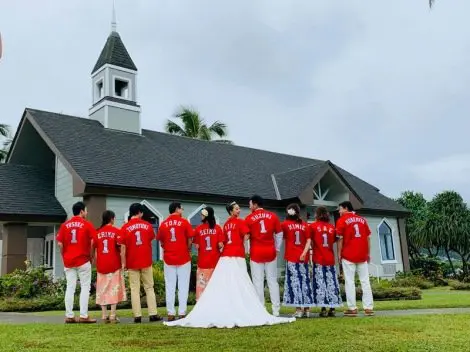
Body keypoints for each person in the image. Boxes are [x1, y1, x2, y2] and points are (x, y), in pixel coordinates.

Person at [164, 201, 295, 328]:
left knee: (226, 283)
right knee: (243, 281)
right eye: (237, 208)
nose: (239, 210)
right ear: (231, 211)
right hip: (238, 255)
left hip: (224, 256)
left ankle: (224, 307)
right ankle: (268, 309)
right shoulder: (240, 222)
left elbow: (219, 243)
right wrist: (244, 245)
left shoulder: (225, 224)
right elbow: (246, 235)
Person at [120, 203, 161, 323]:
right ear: (139, 212)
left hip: (132, 262)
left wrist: (124, 263)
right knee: (149, 288)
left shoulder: (125, 227)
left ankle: (137, 315)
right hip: (146, 261)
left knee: (134, 289)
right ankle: (153, 313)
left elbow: (123, 248)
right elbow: (151, 239)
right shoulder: (147, 225)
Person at [56, 201, 96, 324]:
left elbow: (60, 243)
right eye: (86, 210)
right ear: (82, 211)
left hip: (68, 261)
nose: (87, 212)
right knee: (85, 287)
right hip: (83, 260)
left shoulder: (64, 225)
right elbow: (93, 241)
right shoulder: (87, 224)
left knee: (70, 287)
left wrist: (64, 255)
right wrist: (91, 256)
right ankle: (83, 316)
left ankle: (69, 315)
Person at [245, 195, 283, 316]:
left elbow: (246, 237)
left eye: (250, 204)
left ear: (255, 204)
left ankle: (260, 309)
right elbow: (279, 234)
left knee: (258, 281)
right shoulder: (273, 216)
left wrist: (246, 250)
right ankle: (276, 309)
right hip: (270, 251)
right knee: (272, 281)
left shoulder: (249, 218)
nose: (249, 206)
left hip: (256, 252)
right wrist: (277, 248)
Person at [157, 202, 194, 321]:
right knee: (183, 286)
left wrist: (167, 248)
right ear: (177, 209)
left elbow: (161, 241)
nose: (182, 210)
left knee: (170, 286)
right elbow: (190, 238)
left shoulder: (163, 224)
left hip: (169, 258)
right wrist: (187, 248)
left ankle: (170, 313)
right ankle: (182, 312)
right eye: (181, 208)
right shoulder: (184, 222)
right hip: (183, 257)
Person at [336, 201, 374, 317]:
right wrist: (368, 253)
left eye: (340, 209)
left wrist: (339, 253)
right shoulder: (362, 219)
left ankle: (352, 308)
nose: (339, 211)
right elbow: (368, 238)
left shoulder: (341, 220)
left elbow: (340, 239)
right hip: (362, 255)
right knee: (365, 281)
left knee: (350, 282)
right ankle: (368, 308)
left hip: (348, 255)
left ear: (346, 208)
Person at [91, 210, 127, 323]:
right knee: (114, 289)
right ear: (112, 218)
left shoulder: (97, 232)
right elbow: (121, 247)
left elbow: (93, 247)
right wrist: (123, 262)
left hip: (101, 265)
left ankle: (104, 314)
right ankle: (112, 314)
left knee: (102, 289)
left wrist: (95, 259)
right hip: (114, 264)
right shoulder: (116, 231)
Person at [281, 203, 314, 318]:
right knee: (305, 282)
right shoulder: (305, 225)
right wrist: (304, 253)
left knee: (295, 282)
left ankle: (298, 309)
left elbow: (280, 235)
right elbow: (309, 240)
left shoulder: (285, 224)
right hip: (303, 258)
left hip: (291, 257)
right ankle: (307, 309)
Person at [310, 206, 343, 317]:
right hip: (330, 259)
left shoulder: (313, 226)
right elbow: (337, 239)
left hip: (318, 258)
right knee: (331, 283)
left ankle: (323, 308)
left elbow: (310, 242)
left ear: (317, 214)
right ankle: (332, 308)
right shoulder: (332, 227)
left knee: (320, 284)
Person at [193, 206, 224, 301]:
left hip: (203, 263)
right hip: (215, 263)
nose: (201, 216)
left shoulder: (198, 229)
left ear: (206, 215)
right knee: (215, 286)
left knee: (202, 287)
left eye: (202, 214)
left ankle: (201, 307)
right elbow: (220, 245)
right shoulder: (218, 228)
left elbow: (196, 246)